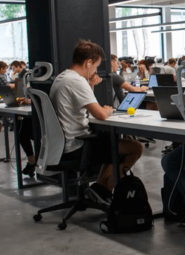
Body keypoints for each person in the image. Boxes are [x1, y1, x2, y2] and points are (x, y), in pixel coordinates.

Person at [50, 40, 144, 205]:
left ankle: (100, 190)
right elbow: (100, 115)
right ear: (88, 63)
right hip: (78, 145)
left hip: (64, 144)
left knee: (109, 142)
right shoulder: (77, 81)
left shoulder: (63, 77)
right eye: (95, 66)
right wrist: (106, 110)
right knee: (135, 147)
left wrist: (91, 85)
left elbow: (84, 105)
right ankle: (102, 190)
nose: (96, 70)